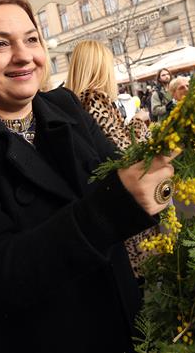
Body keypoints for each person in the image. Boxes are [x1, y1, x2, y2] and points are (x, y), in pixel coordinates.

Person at [0, 0, 175, 353]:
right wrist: (114, 205)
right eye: (0, 44)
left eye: (31, 39)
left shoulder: (65, 106)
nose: (23, 56)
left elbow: (121, 178)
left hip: (116, 321)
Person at [64, 40, 154, 278]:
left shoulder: (75, 104)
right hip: (120, 201)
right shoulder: (93, 99)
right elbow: (125, 153)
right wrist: (140, 123)